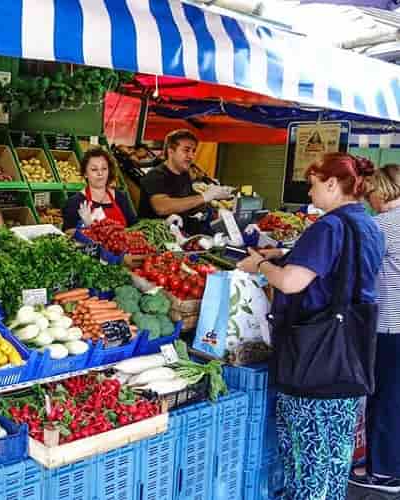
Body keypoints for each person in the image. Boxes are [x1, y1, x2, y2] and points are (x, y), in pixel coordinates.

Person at [235, 153, 385, 500]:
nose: (310, 193)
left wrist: (260, 265)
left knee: (307, 460)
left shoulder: (329, 226)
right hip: (350, 356)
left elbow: (290, 283)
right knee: (332, 459)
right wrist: (284, 255)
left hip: (315, 358)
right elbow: (339, 274)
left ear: (332, 184)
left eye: (314, 184)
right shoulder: (368, 224)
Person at [350, 164, 400, 493]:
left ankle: (382, 473)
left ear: (382, 190)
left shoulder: (382, 225)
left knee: (384, 397)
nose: (368, 200)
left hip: (388, 325)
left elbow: (353, 264)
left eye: (370, 193)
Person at [138, 129, 232, 234]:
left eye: (193, 151)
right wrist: (205, 196)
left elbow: (191, 201)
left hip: (180, 235)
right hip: (156, 237)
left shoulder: (184, 175)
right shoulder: (156, 175)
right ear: (171, 151)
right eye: (186, 150)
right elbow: (161, 207)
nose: (191, 156)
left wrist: (216, 211)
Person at [62, 147, 137, 231]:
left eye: (104, 168)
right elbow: (68, 235)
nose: (100, 173)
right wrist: (84, 227)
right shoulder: (75, 203)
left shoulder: (120, 197)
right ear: (85, 173)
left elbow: (134, 227)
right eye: (94, 169)